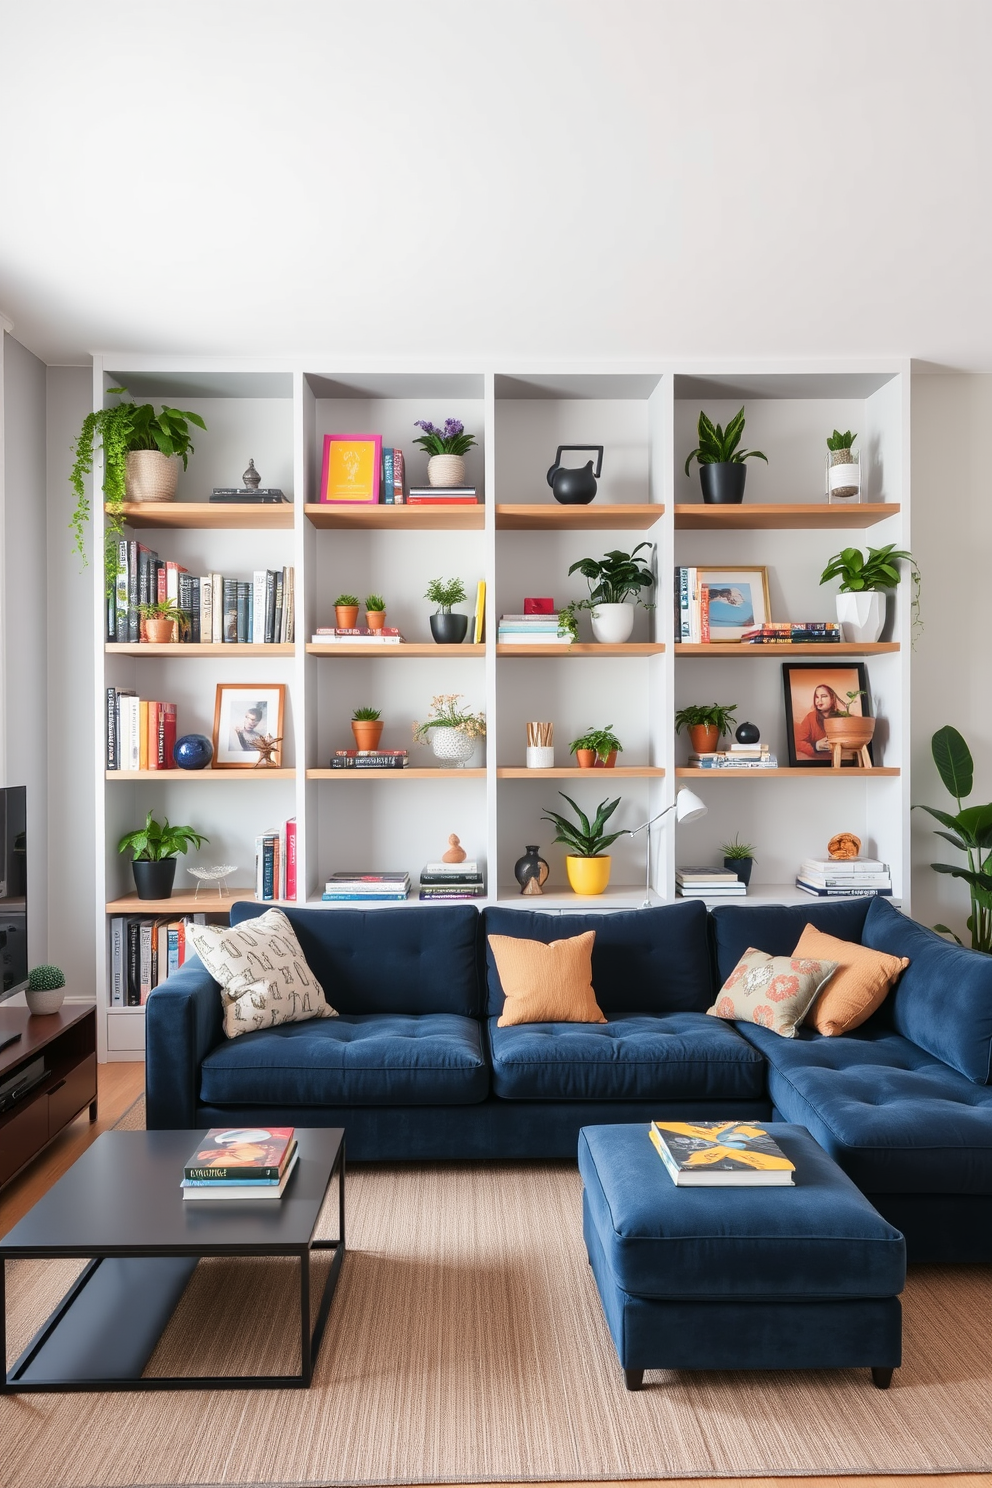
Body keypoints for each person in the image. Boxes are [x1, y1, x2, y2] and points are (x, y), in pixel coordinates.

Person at [795, 683, 843, 759]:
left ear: (832, 699)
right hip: (818, 763)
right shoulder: (810, 718)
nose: (819, 700)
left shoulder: (843, 717)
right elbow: (798, 743)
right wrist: (816, 746)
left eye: (823, 696)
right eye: (817, 697)